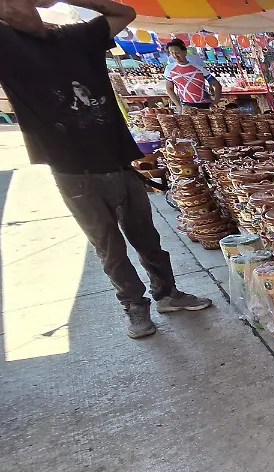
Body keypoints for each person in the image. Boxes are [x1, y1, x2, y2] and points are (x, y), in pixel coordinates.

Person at [0, 0, 212, 338]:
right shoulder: (6, 45)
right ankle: (135, 308)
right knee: (109, 246)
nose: (7, 9)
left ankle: (168, 294)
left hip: (118, 160)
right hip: (72, 170)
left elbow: (124, 13)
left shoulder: (77, 36)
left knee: (146, 237)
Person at [163, 38, 221, 111]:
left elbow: (216, 84)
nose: (175, 55)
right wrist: (178, 105)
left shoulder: (198, 68)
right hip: (186, 106)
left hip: (204, 105)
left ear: (185, 52)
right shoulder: (169, 69)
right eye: (172, 53)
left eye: (177, 52)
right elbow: (169, 89)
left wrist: (216, 101)